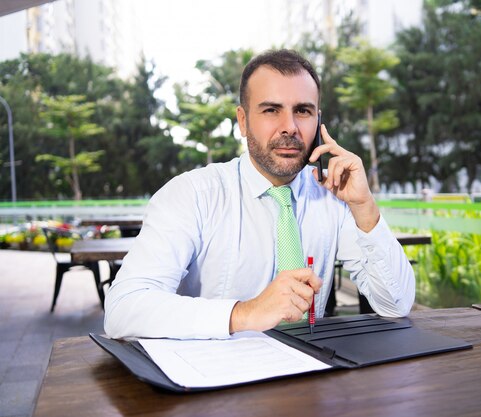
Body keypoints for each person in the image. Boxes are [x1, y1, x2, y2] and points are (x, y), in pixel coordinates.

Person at [104, 49, 415, 340]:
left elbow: (395, 304)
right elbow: (123, 309)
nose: (289, 127)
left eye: (303, 111)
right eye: (271, 110)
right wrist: (246, 313)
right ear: (243, 120)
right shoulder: (192, 195)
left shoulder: (334, 195)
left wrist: (364, 207)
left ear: (318, 121)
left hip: (306, 378)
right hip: (209, 384)